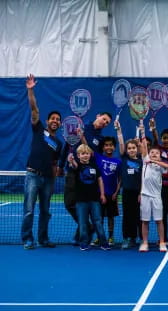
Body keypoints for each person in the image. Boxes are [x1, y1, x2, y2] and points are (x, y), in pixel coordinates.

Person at [21, 74, 62, 250]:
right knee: (29, 210)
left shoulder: (58, 143)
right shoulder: (39, 129)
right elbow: (34, 109)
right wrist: (30, 90)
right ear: (47, 121)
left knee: (45, 212)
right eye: (52, 118)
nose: (55, 121)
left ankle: (43, 239)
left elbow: (54, 164)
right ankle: (27, 239)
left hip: (47, 180)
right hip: (32, 175)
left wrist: (53, 181)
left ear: (59, 124)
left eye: (58, 120)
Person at [67, 144, 109, 251]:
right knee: (83, 222)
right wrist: (71, 160)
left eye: (87, 153)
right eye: (82, 154)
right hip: (81, 201)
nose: (85, 156)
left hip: (95, 199)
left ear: (90, 155)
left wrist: (102, 194)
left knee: (98, 221)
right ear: (78, 155)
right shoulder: (77, 166)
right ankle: (84, 243)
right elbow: (74, 165)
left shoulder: (94, 166)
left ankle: (103, 242)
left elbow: (100, 180)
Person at [138, 126, 168, 252]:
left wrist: (156, 161)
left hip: (157, 196)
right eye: (152, 153)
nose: (154, 154)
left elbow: (166, 165)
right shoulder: (145, 160)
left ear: (160, 155)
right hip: (145, 195)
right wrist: (142, 131)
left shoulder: (160, 166)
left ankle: (162, 242)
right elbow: (144, 146)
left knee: (159, 220)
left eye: (156, 153)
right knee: (145, 221)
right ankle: (145, 242)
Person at [115, 120, 142, 249]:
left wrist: (141, 193)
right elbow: (121, 143)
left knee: (138, 216)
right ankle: (126, 238)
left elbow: (143, 179)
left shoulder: (141, 162)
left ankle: (136, 238)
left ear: (137, 149)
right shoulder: (124, 159)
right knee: (127, 216)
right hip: (126, 192)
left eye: (133, 148)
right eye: (129, 148)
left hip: (138, 193)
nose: (131, 150)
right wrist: (119, 130)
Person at [94, 136, 121, 247]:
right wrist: (81, 135)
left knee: (110, 217)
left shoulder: (118, 162)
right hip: (100, 194)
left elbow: (120, 179)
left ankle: (110, 237)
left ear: (114, 147)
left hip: (112, 195)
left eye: (111, 145)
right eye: (106, 145)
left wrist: (116, 192)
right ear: (103, 147)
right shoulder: (98, 157)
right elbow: (87, 147)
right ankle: (99, 237)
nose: (108, 147)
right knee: (99, 217)